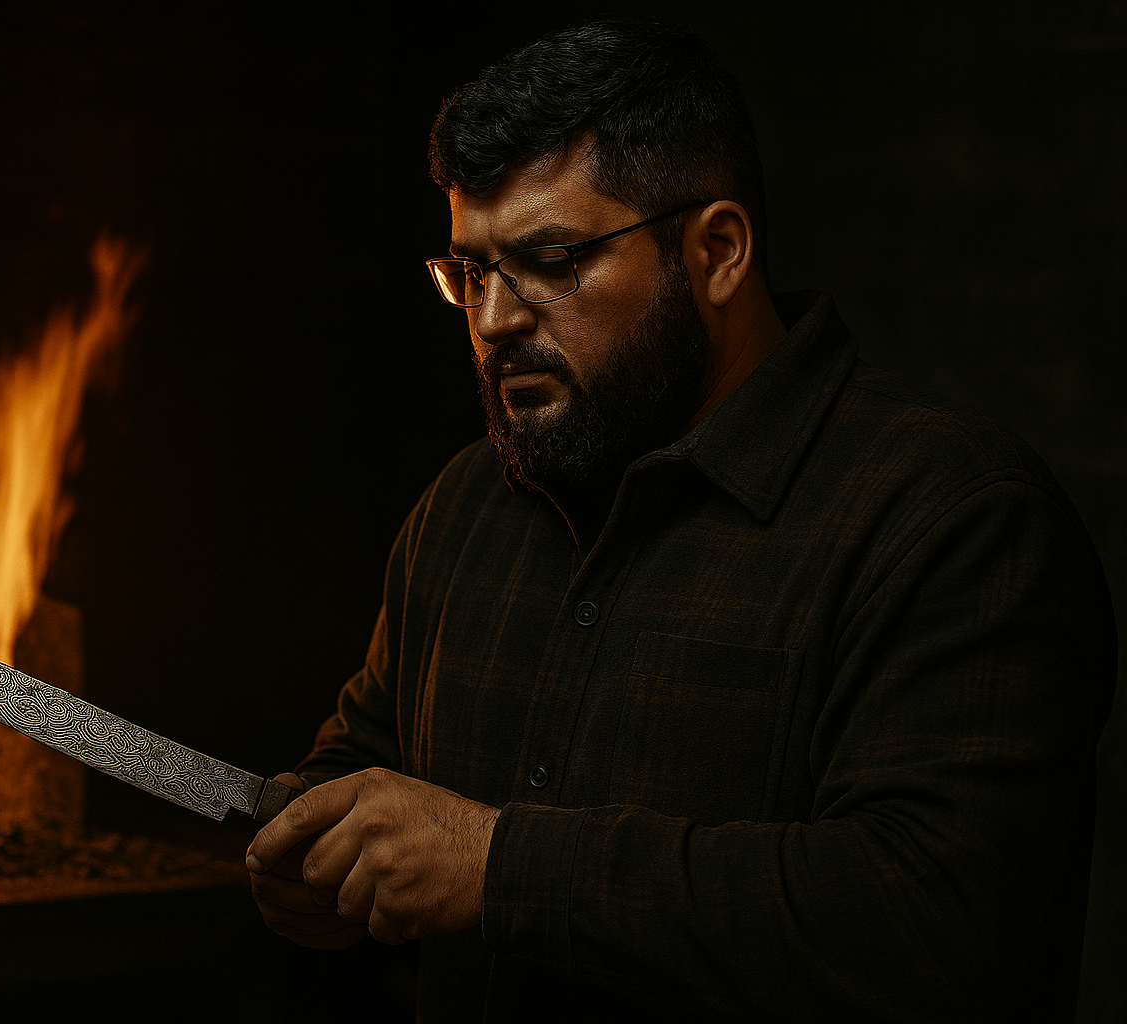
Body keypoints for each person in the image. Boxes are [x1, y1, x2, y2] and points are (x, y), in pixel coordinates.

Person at [245, 19, 1117, 1023]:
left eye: (551, 260)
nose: (492, 319)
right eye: (471, 273)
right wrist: (312, 849)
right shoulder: (465, 503)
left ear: (718, 252)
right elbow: (370, 754)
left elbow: (932, 925)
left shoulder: (952, 518)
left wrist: (501, 866)